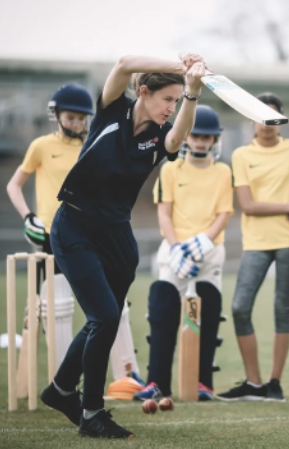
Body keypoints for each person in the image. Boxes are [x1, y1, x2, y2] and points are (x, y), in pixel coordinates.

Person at [39, 53, 206, 439]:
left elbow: (177, 138)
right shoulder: (112, 108)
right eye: (168, 99)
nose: (171, 108)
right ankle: (91, 413)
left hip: (117, 235)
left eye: (177, 101)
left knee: (106, 316)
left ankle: (61, 390)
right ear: (144, 92)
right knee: (105, 318)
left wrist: (192, 93)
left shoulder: (159, 136)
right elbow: (125, 62)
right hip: (74, 226)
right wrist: (184, 65)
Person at [6, 84, 143, 388]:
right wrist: (28, 217)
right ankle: (64, 382)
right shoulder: (41, 146)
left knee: (113, 304)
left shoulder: (93, 142)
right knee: (59, 307)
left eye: (81, 119)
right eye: (70, 118)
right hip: (51, 236)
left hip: (93, 233)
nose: (76, 124)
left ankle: (126, 376)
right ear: (56, 115)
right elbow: (13, 185)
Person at [134, 104, 233, 402]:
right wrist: (176, 246)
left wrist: (204, 241)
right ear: (186, 135)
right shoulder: (170, 168)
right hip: (174, 252)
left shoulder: (222, 171)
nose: (201, 141)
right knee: (162, 308)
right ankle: (157, 381)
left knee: (208, 309)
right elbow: (164, 213)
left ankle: (203, 381)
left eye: (207, 137)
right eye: (196, 135)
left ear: (215, 140)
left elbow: (224, 213)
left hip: (209, 251)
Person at [215, 93, 289, 402]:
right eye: (259, 116)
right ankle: (254, 383)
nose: (266, 123)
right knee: (240, 307)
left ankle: (274, 384)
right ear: (250, 120)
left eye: (272, 117)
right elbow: (248, 205)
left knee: (282, 308)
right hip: (256, 242)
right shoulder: (241, 155)